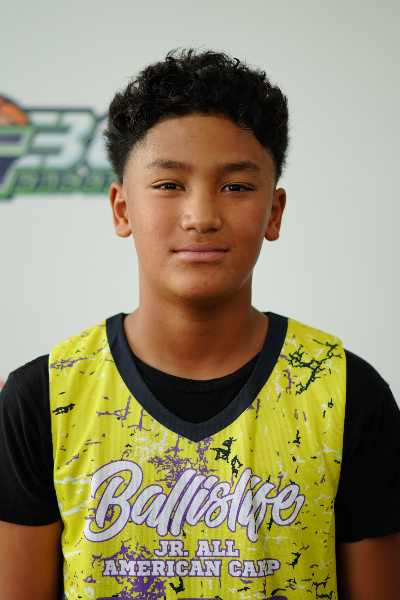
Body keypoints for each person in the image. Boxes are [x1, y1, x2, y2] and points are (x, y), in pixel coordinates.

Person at [0, 48, 399, 600]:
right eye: (169, 185)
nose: (201, 216)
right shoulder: (42, 398)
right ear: (122, 209)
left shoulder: (345, 393)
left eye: (236, 186)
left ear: (274, 212)